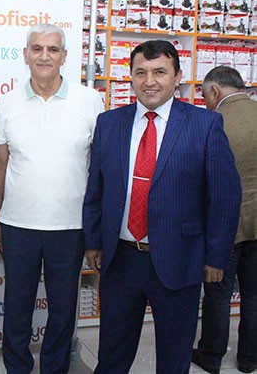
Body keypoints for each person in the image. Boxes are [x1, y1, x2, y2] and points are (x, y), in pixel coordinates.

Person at [82, 40, 242, 373]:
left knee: (173, 358)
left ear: (178, 77)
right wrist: (93, 240)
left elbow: (225, 197)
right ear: (131, 76)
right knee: (111, 355)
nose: (149, 81)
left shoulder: (204, 125)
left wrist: (216, 257)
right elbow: (96, 188)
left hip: (179, 258)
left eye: (159, 72)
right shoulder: (109, 123)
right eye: (141, 72)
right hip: (121, 259)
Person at [0, 23, 105, 373]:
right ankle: (17, 368)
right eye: (37, 49)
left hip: (70, 227)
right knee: (17, 307)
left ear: (64, 56)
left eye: (52, 49)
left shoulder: (90, 100)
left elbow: (99, 167)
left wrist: (95, 228)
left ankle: (54, 369)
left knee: (63, 309)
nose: (44, 56)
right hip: (18, 224)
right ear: (25, 55)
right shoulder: (6, 102)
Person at [192, 66, 257, 374]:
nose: (206, 102)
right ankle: (249, 358)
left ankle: (211, 355)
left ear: (215, 91)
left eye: (206, 96)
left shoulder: (214, 123)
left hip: (226, 225)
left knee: (218, 293)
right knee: (254, 294)